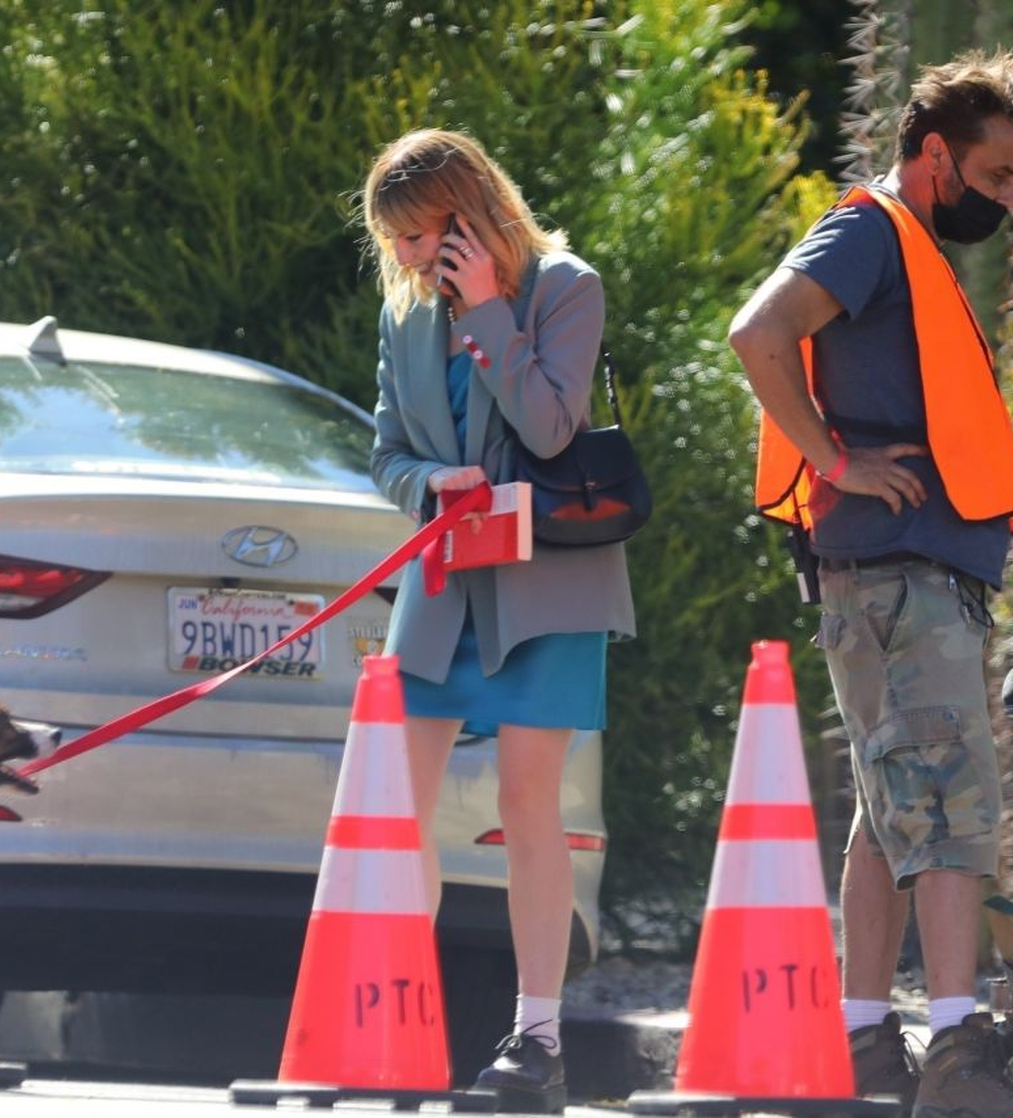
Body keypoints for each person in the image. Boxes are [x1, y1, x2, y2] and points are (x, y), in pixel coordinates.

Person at [730, 50, 1013, 1118]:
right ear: (935, 153)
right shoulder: (870, 231)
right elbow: (757, 335)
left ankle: (864, 1042)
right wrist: (830, 456)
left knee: (888, 813)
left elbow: (951, 453)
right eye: (995, 177)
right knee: (951, 810)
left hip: (898, 579)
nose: (1005, 200)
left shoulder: (906, 255)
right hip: (898, 582)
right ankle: (954, 1052)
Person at [361, 128, 635, 1112]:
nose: (398, 256)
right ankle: (390, 1016)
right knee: (393, 807)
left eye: (413, 234)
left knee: (529, 806)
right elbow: (386, 450)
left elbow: (552, 424)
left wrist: (486, 307)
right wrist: (432, 480)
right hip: (444, 584)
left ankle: (537, 1037)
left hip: (547, 584)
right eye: (390, 238)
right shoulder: (402, 316)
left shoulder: (566, 285)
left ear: (467, 218)